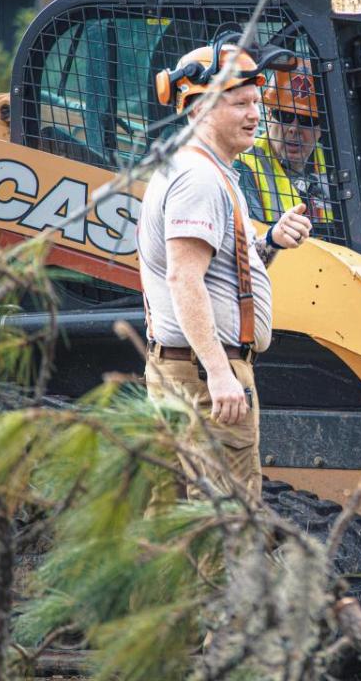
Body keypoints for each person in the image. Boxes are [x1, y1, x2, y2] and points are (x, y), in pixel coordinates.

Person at [139, 41, 313, 500]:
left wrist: (268, 243)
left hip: (189, 371)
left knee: (178, 523)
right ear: (198, 110)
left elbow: (218, 269)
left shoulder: (208, 171)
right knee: (225, 522)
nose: (254, 113)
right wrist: (219, 372)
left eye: (256, 102)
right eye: (240, 103)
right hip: (203, 375)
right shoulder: (198, 178)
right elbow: (184, 277)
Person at [236, 59, 335, 223]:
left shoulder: (334, 162)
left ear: (321, 127)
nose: (293, 129)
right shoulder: (246, 168)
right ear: (268, 116)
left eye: (306, 120)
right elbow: (252, 242)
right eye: (285, 116)